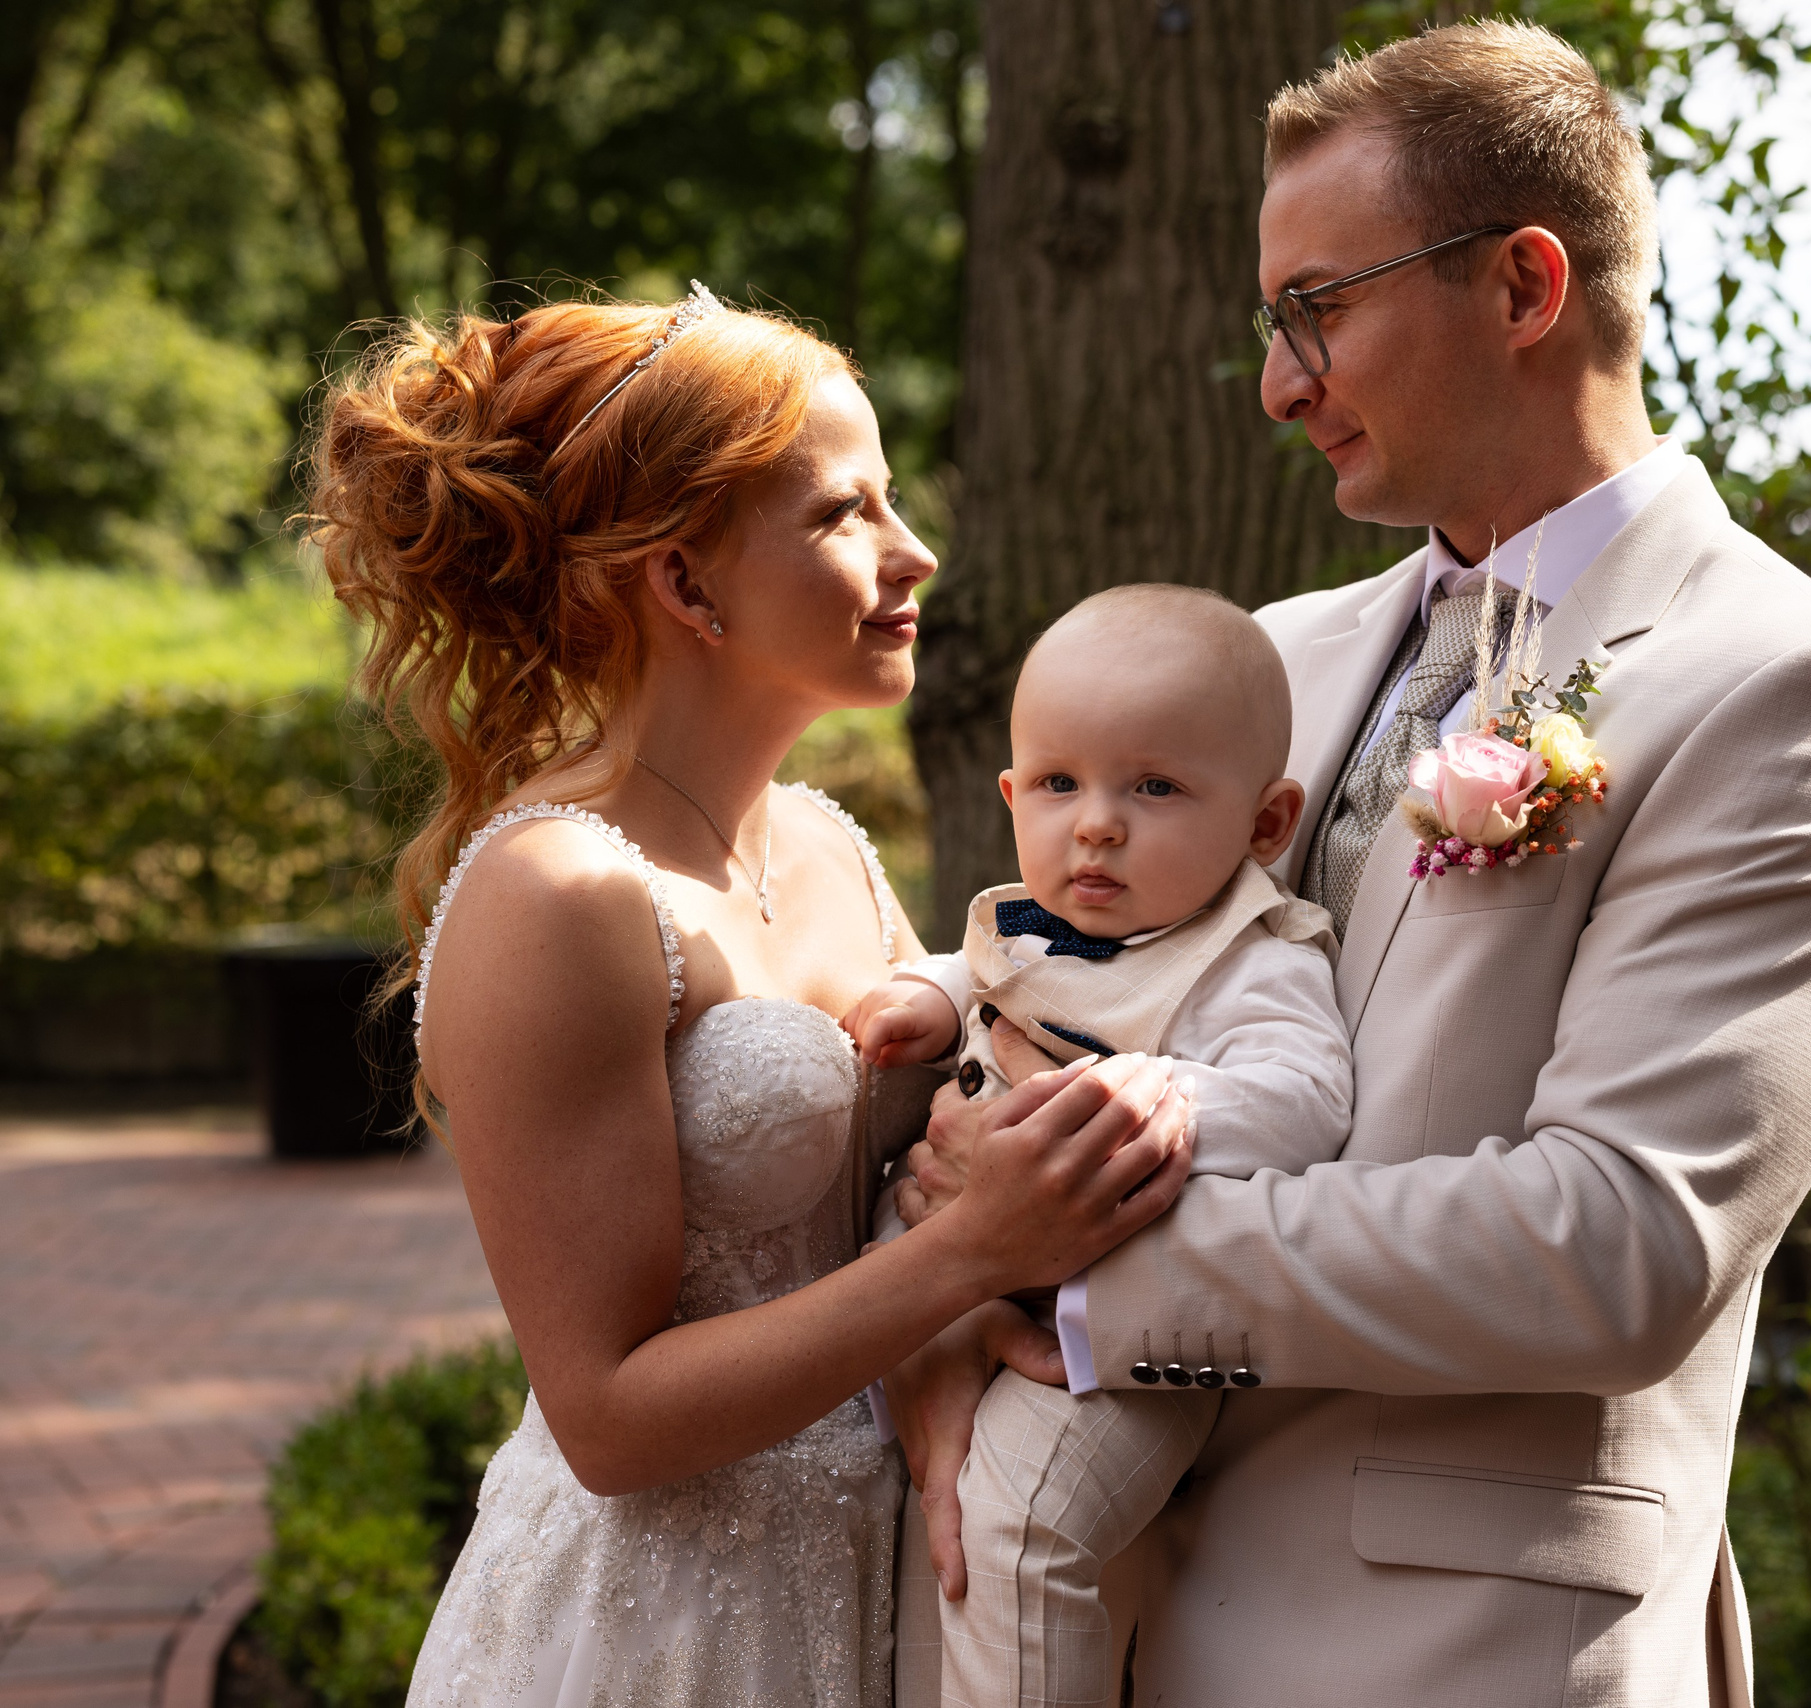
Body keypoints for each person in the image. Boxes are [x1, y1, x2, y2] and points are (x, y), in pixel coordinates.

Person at [884, 23, 1811, 1706]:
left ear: (1525, 286)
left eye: (1318, 308)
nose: (1278, 381)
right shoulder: (1263, 662)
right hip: (1099, 1621)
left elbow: (1616, 1238)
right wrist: (932, 1312)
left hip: (1454, 1652)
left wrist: (1054, 1264)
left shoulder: (1793, 693)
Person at [302, 286, 1196, 1708]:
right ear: (686, 581)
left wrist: (955, 1319)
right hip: (653, 1630)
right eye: (845, 515)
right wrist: (959, 1264)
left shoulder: (830, 844)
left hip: (871, 1590)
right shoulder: (562, 895)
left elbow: (909, 1176)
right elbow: (604, 1417)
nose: (916, 554)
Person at [852, 584, 1352, 1707]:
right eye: (1059, 784)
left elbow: (1304, 1097)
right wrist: (931, 998)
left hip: (1114, 1341)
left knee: (1017, 1535)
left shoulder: (1252, 957)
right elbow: (982, 975)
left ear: (1269, 823)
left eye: (1155, 787)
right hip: (948, 1298)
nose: (1096, 824)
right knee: (933, 1551)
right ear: (1011, 793)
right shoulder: (1031, 923)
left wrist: (1148, 1096)